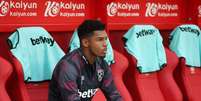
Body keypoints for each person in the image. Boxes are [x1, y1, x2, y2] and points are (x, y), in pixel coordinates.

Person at [48, 19, 122, 101]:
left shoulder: (102, 64)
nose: (105, 44)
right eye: (100, 40)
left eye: (105, 39)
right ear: (86, 42)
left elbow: (114, 95)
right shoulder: (68, 67)